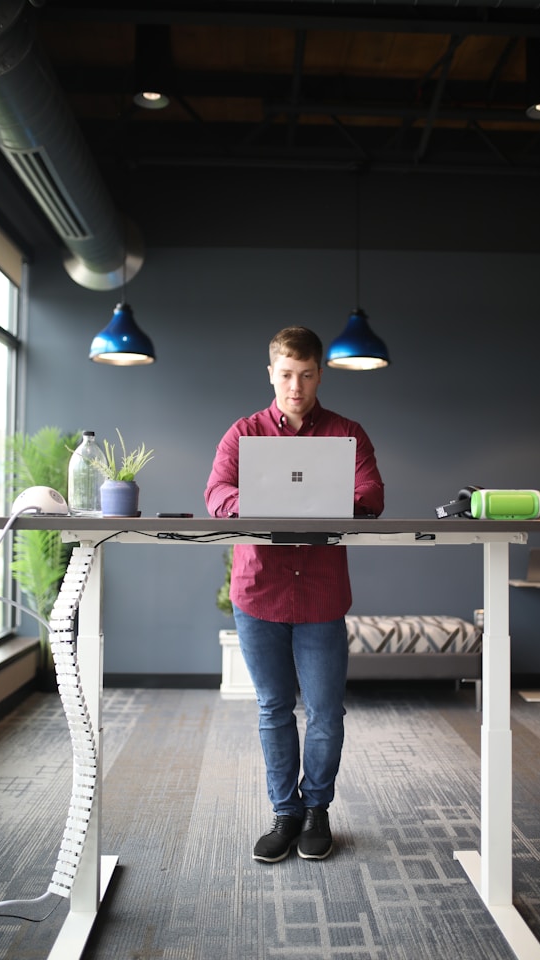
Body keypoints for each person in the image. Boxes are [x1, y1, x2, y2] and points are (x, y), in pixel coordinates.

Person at [204, 326, 384, 863]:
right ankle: (285, 813)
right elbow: (217, 495)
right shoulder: (243, 433)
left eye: (306, 375)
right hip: (259, 590)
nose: (296, 386)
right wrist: (268, 500)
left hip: (323, 596)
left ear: (319, 374)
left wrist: (327, 501)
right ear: (271, 373)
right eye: (286, 374)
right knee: (273, 708)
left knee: (327, 712)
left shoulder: (346, 434)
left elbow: (371, 494)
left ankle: (317, 810)